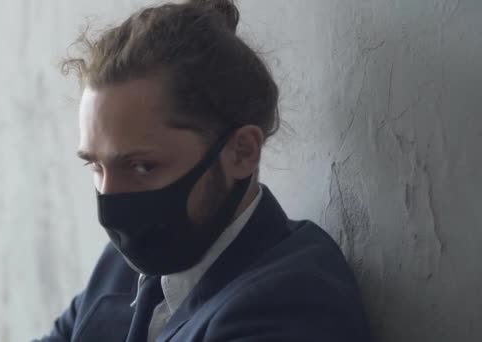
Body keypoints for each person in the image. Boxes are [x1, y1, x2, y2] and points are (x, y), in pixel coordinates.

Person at [36, 0, 371, 341]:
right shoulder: (122, 267)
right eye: (95, 165)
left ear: (241, 152)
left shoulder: (294, 300)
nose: (110, 201)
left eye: (143, 166)